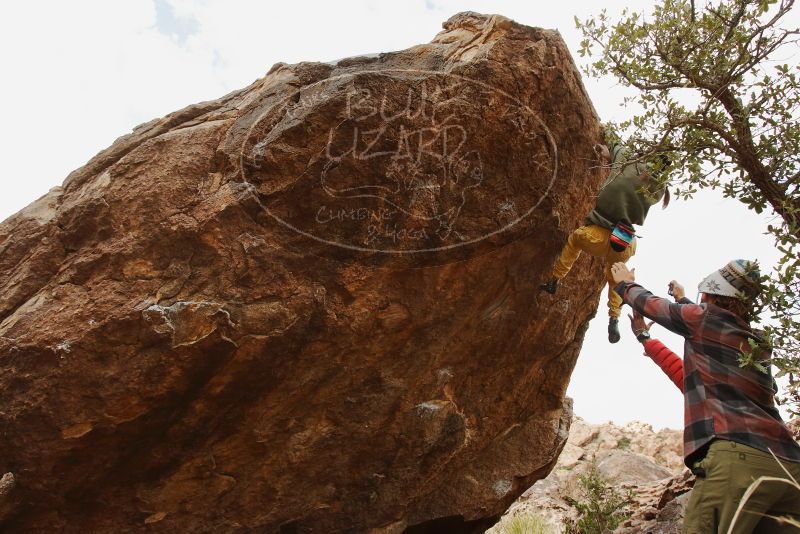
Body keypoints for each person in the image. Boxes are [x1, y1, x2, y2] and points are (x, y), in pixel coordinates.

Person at [611, 259, 800, 533]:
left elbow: (654, 306)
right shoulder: (758, 344)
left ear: (711, 294)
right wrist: (645, 339)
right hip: (789, 468)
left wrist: (625, 284)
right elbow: (688, 371)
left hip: (738, 460)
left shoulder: (702, 320)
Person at [540, 140, 669, 343]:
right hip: (626, 241)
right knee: (616, 277)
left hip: (601, 234)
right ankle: (613, 319)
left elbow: (615, 146)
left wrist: (608, 150)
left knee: (576, 239)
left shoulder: (630, 162)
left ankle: (554, 280)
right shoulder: (659, 188)